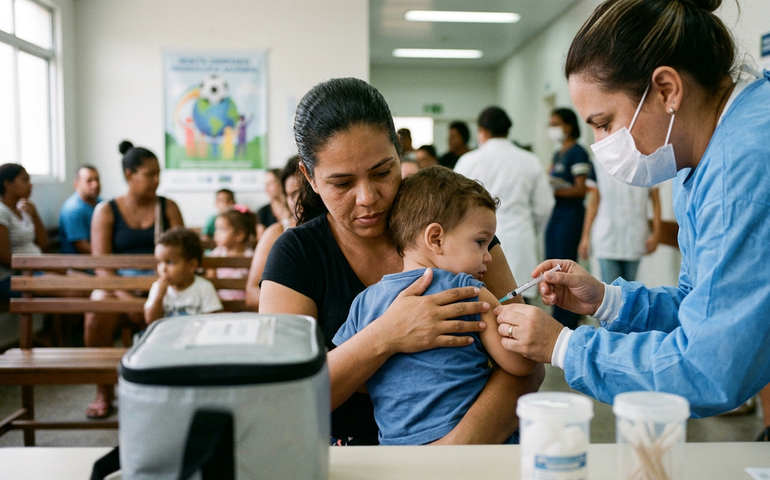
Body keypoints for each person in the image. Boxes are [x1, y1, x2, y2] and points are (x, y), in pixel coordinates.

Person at [494, 0, 770, 420]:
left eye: (604, 123)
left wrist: (563, 345)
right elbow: (702, 305)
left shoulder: (740, 167)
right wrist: (608, 301)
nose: (601, 143)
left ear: (666, 90)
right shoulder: (702, 159)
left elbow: (708, 367)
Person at [259, 77, 543, 446]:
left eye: (382, 173)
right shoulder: (297, 254)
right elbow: (283, 397)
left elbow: (527, 364)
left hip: (472, 454)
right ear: (309, 178)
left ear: (399, 153)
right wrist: (387, 335)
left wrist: (449, 455)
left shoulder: (458, 234)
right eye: (342, 183)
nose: (367, 198)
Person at [333, 166, 538, 445]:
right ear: (436, 239)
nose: (488, 257)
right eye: (480, 242)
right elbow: (521, 363)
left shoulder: (364, 302)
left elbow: (356, 379)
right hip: (480, 448)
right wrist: (525, 321)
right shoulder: (470, 291)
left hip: (398, 454)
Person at [85, 140, 184, 419]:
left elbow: (183, 254)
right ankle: (104, 391)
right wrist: (125, 297)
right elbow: (102, 266)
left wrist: (160, 289)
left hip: (163, 283)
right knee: (97, 305)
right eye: (150, 174)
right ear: (130, 174)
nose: (156, 180)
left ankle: (174, 387)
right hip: (120, 287)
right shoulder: (106, 211)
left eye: (158, 174)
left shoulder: (168, 207)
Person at [454, 107, 554, 305]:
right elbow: (545, 205)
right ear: (507, 130)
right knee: (521, 308)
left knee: (479, 307)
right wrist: (529, 229)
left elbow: (453, 209)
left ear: (482, 131)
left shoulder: (468, 161)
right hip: (520, 241)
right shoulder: (530, 160)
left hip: (477, 247)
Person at [544, 107, 594, 329]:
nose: (552, 128)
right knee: (550, 266)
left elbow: (580, 189)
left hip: (570, 217)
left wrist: (553, 191)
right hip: (555, 216)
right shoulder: (558, 153)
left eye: (556, 123)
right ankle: (556, 314)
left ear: (569, 126)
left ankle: (568, 320)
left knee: (563, 266)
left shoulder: (578, 153)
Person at [578, 164, 661, 283]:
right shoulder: (599, 162)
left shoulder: (646, 161)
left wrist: (657, 233)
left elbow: (656, 202)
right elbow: (594, 202)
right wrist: (585, 237)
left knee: (630, 291)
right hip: (606, 239)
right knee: (610, 290)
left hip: (635, 236)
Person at [245, 156, 304, 311]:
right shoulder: (276, 232)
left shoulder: (339, 231)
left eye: (305, 191)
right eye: (292, 193)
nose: (299, 200)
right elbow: (252, 293)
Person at [145, 228, 222, 324]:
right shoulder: (157, 287)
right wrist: (159, 296)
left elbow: (212, 320)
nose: (163, 269)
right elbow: (150, 321)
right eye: (159, 262)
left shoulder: (204, 288)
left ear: (191, 265)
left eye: (170, 262)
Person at [0, 164, 47, 297]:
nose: (30, 185)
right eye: (25, 180)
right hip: (13, 277)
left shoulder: (24, 210)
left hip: (36, 270)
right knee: (75, 289)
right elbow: (3, 257)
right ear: (7, 183)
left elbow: (43, 244)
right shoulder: (1, 212)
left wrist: (35, 214)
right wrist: (36, 267)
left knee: (86, 283)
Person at [207, 208, 255, 301]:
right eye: (216, 229)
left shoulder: (251, 256)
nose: (216, 233)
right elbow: (211, 278)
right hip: (220, 304)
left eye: (222, 229)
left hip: (244, 305)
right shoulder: (217, 254)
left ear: (239, 235)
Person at [59, 165, 102, 254]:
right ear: (76, 185)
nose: (95, 184)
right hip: (80, 264)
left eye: (97, 180)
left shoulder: (103, 204)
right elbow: (82, 247)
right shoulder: (72, 209)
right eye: (89, 181)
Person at [255, 168, 289, 240]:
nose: (266, 188)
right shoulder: (263, 211)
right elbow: (259, 238)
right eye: (266, 184)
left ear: (281, 183)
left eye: (271, 183)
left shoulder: (294, 207)